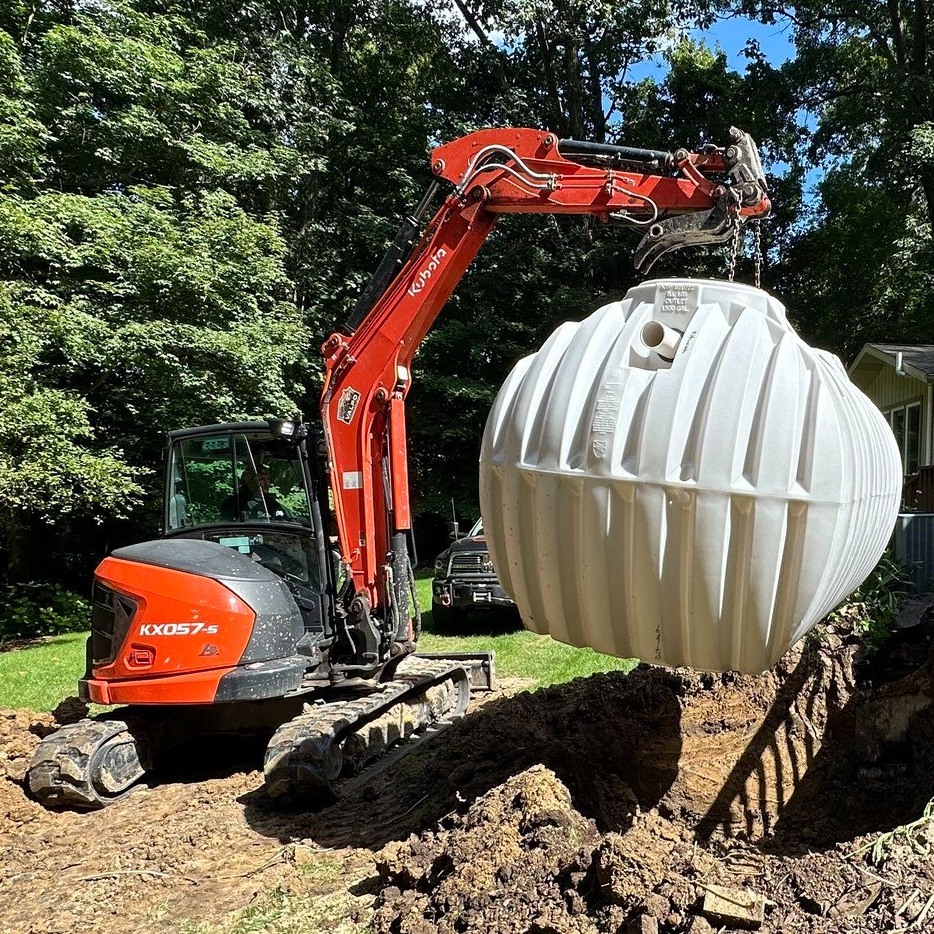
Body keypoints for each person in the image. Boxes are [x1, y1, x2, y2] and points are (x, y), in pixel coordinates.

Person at [221, 464, 292, 522]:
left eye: (268, 479)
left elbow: (290, 518)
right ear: (249, 481)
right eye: (261, 479)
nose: (267, 483)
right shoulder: (235, 503)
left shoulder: (271, 503)